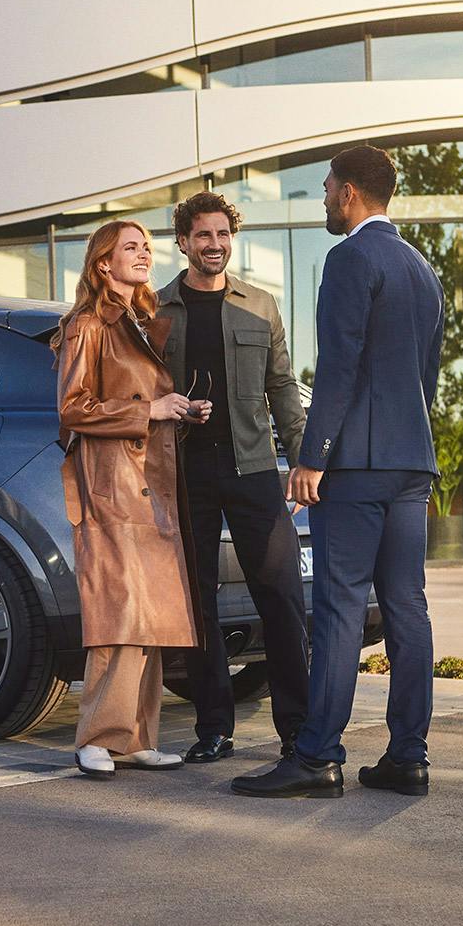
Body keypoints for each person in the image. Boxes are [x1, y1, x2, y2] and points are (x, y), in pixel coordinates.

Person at [232, 145, 444, 799]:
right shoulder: (421, 267)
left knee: (338, 609)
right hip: (411, 461)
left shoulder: (350, 257)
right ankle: (408, 756)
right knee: (408, 607)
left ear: (350, 193)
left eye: (326, 188)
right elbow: (425, 376)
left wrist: (312, 456)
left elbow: (341, 364)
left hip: (353, 466)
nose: (323, 198)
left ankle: (318, 755)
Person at [154, 193, 309, 764]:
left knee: (282, 596)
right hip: (185, 472)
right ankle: (213, 728)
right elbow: (141, 390)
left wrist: (303, 458)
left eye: (222, 234)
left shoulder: (261, 306)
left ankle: (297, 728)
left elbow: (283, 389)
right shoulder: (157, 310)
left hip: (253, 472)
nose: (214, 245)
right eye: (203, 236)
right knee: (199, 604)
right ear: (184, 241)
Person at [55, 220, 212, 779]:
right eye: (131, 247)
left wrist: (180, 409)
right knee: (118, 612)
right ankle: (96, 737)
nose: (144, 254)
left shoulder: (141, 323)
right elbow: (73, 408)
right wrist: (150, 410)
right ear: (103, 264)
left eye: (147, 246)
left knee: (150, 613)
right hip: (110, 484)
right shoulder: (87, 325)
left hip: (151, 481)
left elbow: (147, 399)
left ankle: (136, 736)